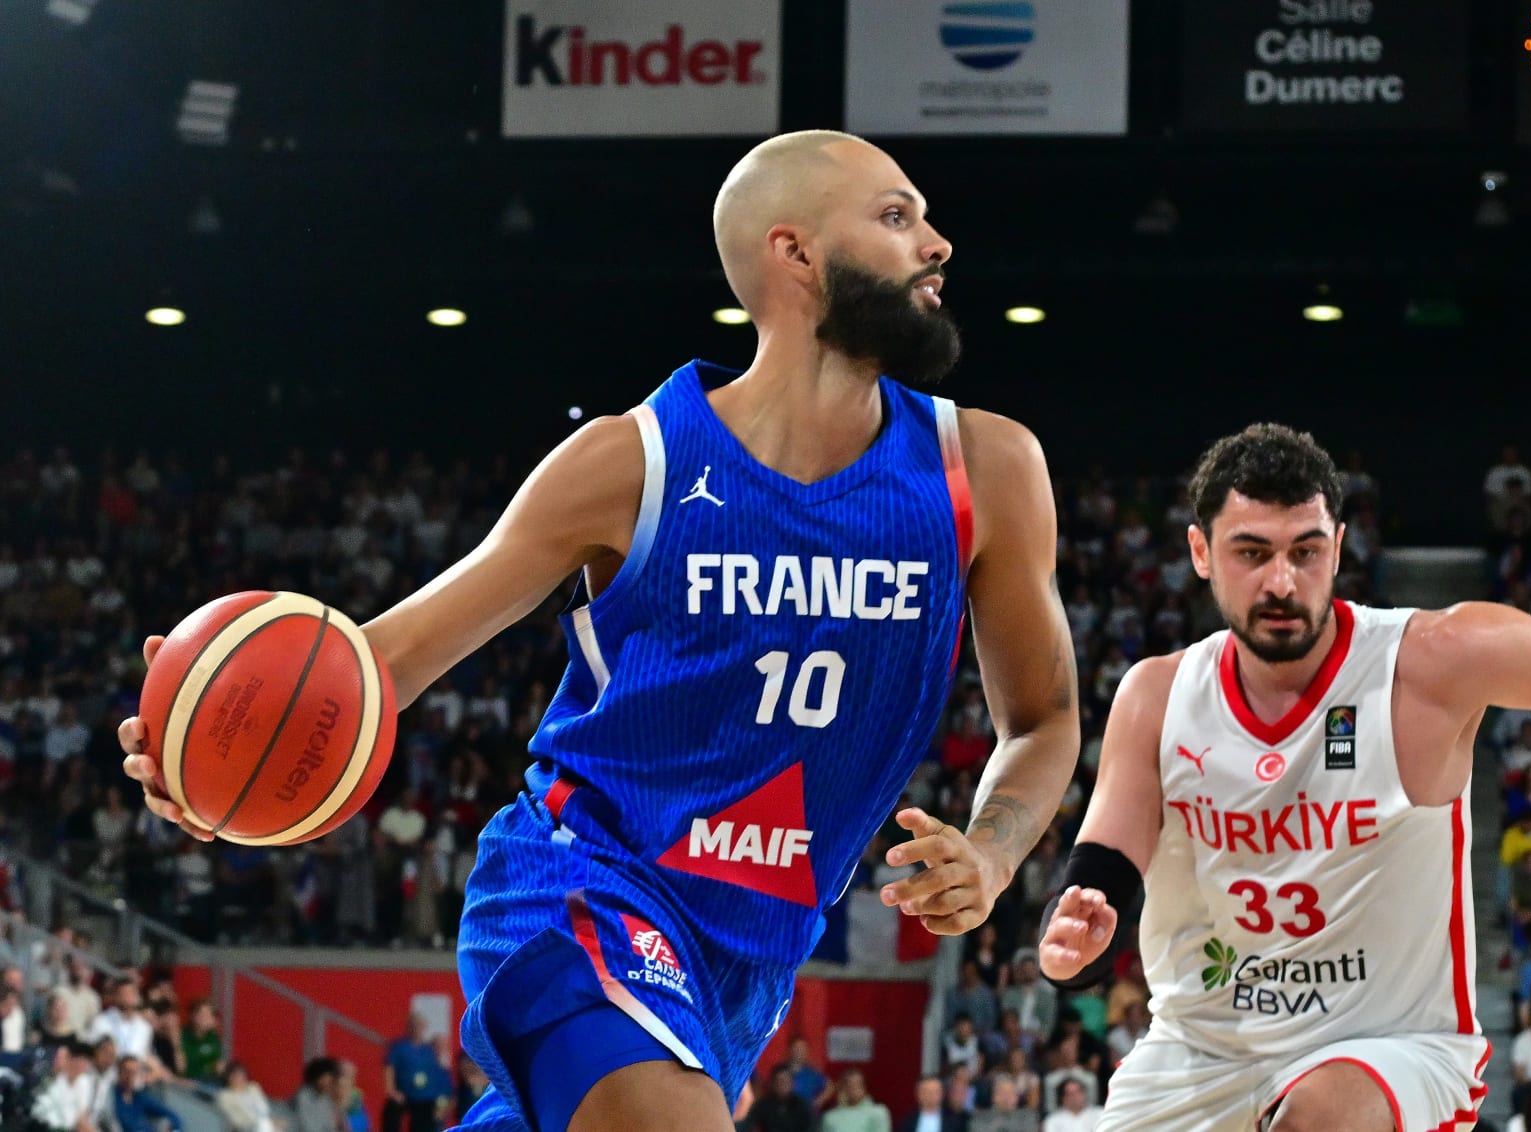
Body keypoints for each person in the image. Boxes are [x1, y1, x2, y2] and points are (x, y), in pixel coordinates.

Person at [120, 129, 1079, 1132]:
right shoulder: (634, 462)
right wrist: (215, 750)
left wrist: (995, 851)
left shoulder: (987, 471)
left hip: (746, 965)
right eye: (895, 216)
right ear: (792, 253)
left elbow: (1046, 717)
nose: (937, 241)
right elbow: (385, 660)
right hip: (578, 885)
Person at [1036, 424, 1531, 1132]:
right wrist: (1075, 940)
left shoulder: (1429, 661)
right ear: (1201, 553)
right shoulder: (1156, 695)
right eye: (1252, 553)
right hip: (1200, 1052)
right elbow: (1103, 869)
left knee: (1315, 1119)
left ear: (1338, 548)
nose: (1282, 581)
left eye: (1305, 552)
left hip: (1391, 1053)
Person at [819, 1070, 889, 1132]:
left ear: (864, 1088)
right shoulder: (829, 1117)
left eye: (858, 1084)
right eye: (850, 1085)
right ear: (842, 1088)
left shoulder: (878, 1113)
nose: (854, 1089)